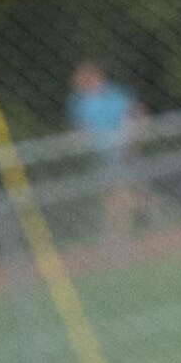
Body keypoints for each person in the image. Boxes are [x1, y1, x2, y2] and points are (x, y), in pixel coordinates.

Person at [67, 61, 152, 249]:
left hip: (121, 149)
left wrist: (135, 139)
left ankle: (119, 234)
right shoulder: (78, 101)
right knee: (111, 195)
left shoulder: (114, 94)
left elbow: (137, 114)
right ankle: (152, 208)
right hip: (101, 154)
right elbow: (78, 128)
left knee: (121, 192)